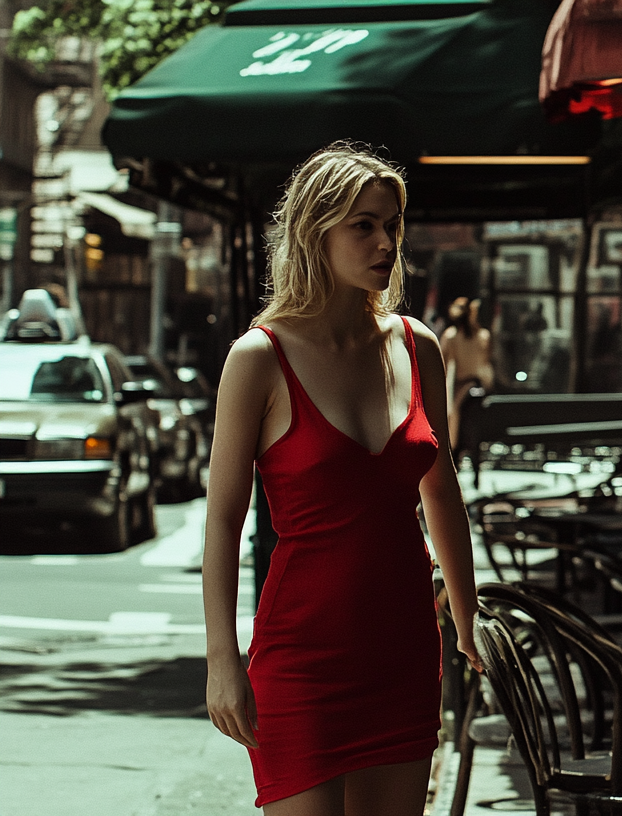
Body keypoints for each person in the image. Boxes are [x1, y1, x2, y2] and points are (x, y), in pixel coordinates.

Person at [201, 142, 482, 815]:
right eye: (364, 225)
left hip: (404, 649)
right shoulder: (259, 358)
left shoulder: (419, 346)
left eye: (392, 224)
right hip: (303, 659)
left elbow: (440, 487)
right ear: (313, 233)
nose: (385, 242)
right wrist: (221, 661)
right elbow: (222, 519)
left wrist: (470, 620)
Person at [439, 296, 494, 471]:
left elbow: (441, 362)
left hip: (462, 387)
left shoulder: (452, 336)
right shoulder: (483, 336)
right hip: (480, 388)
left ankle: (455, 459)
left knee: (453, 421)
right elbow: (486, 363)